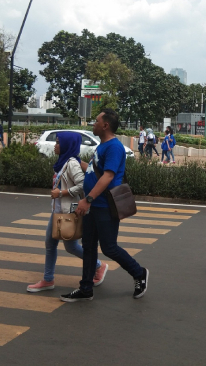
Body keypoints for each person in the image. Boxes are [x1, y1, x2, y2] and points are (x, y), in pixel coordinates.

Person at [61, 109, 148, 302]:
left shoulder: (114, 148)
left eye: (96, 121)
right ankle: (86, 288)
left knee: (109, 247)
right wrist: (74, 160)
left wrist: (87, 199)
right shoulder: (101, 146)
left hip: (105, 205)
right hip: (94, 206)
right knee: (89, 246)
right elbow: (93, 171)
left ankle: (139, 272)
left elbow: (108, 176)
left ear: (105, 125)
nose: (94, 124)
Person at [27, 132, 108, 292]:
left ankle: (99, 265)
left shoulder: (71, 163)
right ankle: (48, 279)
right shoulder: (63, 162)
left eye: (58, 142)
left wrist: (61, 193)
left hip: (68, 213)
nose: (56, 145)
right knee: (50, 243)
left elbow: (82, 184)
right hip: (58, 211)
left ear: (66, 145)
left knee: (70, 247)